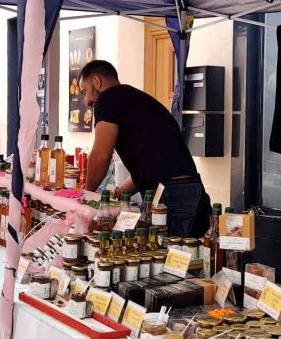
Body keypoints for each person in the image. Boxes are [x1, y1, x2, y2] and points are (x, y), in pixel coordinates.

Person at [79, 60, 211, 237]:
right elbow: (151, 163)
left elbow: (101, 155)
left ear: (97, 82)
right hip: (185, 189)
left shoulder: (107, 99)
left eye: (85, 92)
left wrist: (86, 195)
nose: (86, 100)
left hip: (170, 193)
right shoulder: (138, 100)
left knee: (164, 258)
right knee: (176, 255)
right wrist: (119, 192)